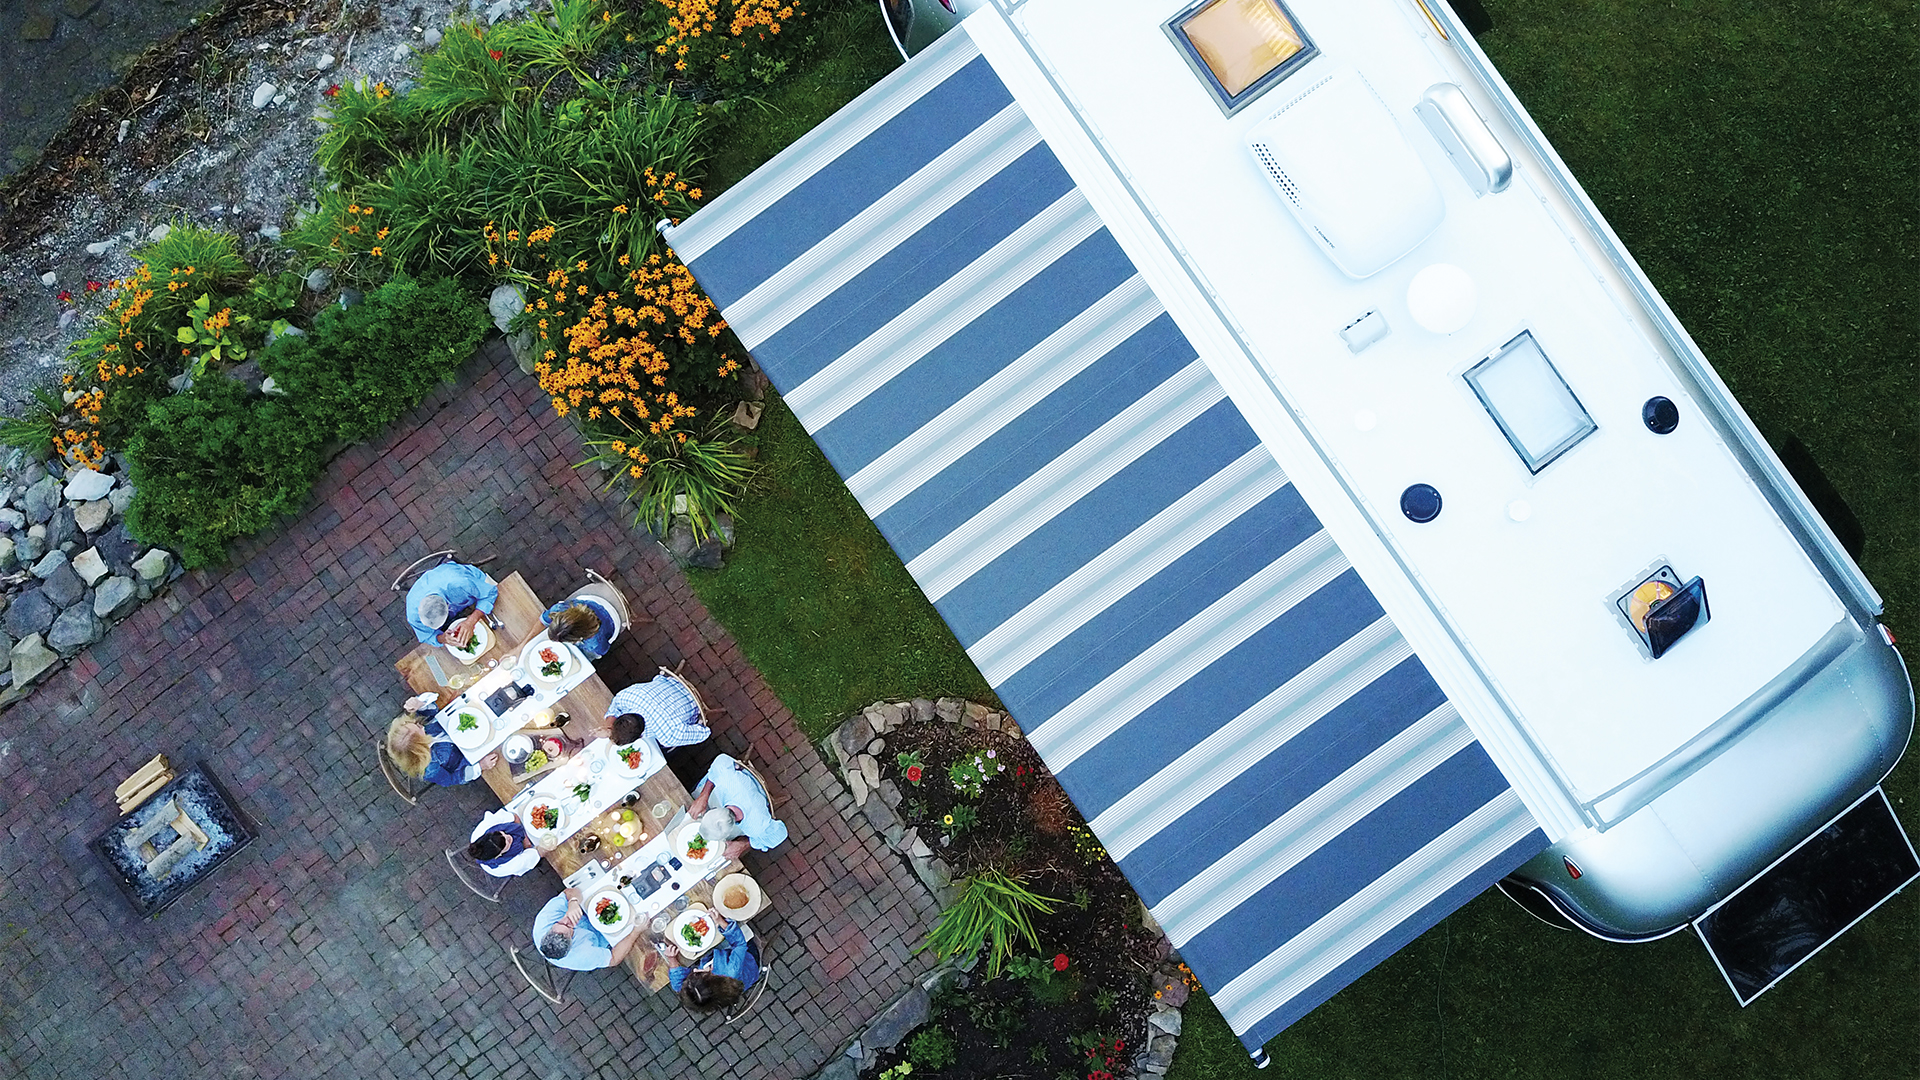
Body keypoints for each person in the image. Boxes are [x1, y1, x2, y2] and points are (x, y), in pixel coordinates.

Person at [686, 754, 786, 860]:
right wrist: (703, 796)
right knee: (697, 795)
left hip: (759, 798)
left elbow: (780, 834)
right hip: (739, 781)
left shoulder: (756, 827)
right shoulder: (726, 780)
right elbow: (720, 760)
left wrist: (744, 845)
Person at [659, 910, 760, 1014]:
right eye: (698, 973)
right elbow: (739, 944)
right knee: (735, 925)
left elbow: (678, 985)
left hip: (720, 958)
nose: (695, 969)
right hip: (748, 960)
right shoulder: (731, 970)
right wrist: (721, 921)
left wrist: (672, 959)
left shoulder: (696, 991)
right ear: (711, 977)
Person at [386, 696, 497, 786]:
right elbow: (452, 779)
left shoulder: (417, 727)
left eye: (415, 724)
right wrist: (480, 766)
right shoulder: (431, 770)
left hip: (465, 723)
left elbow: (431, 711)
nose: (421, 725)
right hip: (471, 753)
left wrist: (420, 704)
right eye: (419, 729)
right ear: (421, 745)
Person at [533, 885, 642, 971]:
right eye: (569, 927)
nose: (566, 920)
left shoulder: (545, 919)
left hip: (589, 907)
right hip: (607, 934)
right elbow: (613, 959)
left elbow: (568, 892)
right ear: (571, 943)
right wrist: (636, 932)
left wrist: (573, 902)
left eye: (560, 922)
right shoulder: (582, 956)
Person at [592, 673, 708, 749]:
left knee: (665, 749)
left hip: (694, 704)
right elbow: (615, 706)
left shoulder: (668, 736)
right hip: (671, 682)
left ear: (640, 737)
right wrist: (609, 730)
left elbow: (704, 733)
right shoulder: (628, 696)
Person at [405, 560, 499, 647]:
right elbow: (426, 636)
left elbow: (491, 592)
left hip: (475, 582)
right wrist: (443, 638)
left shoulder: (461, 583)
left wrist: (471, 621)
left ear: (447, 605)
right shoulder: (413, 616)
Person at [468, 807, 539, 877]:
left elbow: (514, 817)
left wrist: (525, 839)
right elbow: (539, 852)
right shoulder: (511, 865)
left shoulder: (486, 826)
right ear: (499, 855)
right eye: (507, 843)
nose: (508, 836)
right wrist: (528, 846)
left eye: (502, 833)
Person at [541, 597, 619, 660]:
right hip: (594, 600)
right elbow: (542, 621)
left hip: (614, 620)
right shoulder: (559, 609)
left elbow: (603, 650)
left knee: (591, 656)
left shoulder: (594, 644)